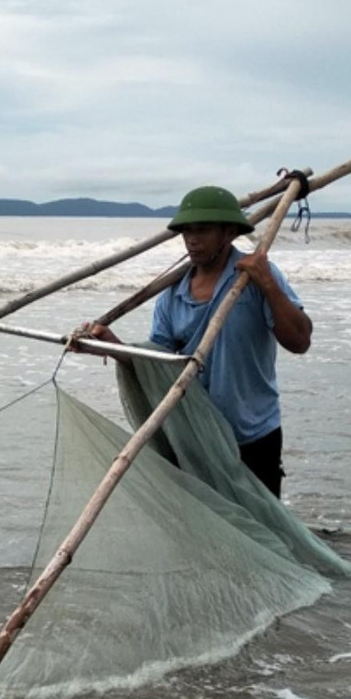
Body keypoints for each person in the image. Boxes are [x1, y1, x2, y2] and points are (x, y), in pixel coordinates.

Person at [83, 185, 311, 497]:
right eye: (187, 232)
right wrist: (108, 343)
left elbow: (300, 341)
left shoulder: (255, 276)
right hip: (196, 431)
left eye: (202, 230)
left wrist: (268, 283)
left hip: (253, 431)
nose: (192, 240)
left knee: (262, 529)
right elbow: (158, 363)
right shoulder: (173, 294)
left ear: (228, 232)